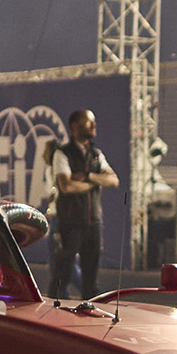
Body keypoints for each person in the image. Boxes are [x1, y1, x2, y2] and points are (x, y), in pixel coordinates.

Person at [49, 108, 119, 298]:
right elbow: (66, 186)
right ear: (75, 126)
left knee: (91, 279)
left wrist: (88, 177)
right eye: (89, 122)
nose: (94, 125)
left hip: (93, 222)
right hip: (70, 222)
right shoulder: (62, 154)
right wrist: (94, 184)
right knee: (62, 274)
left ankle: (89, 315)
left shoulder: (96, 154)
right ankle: (51, 314)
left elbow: (113, 180)